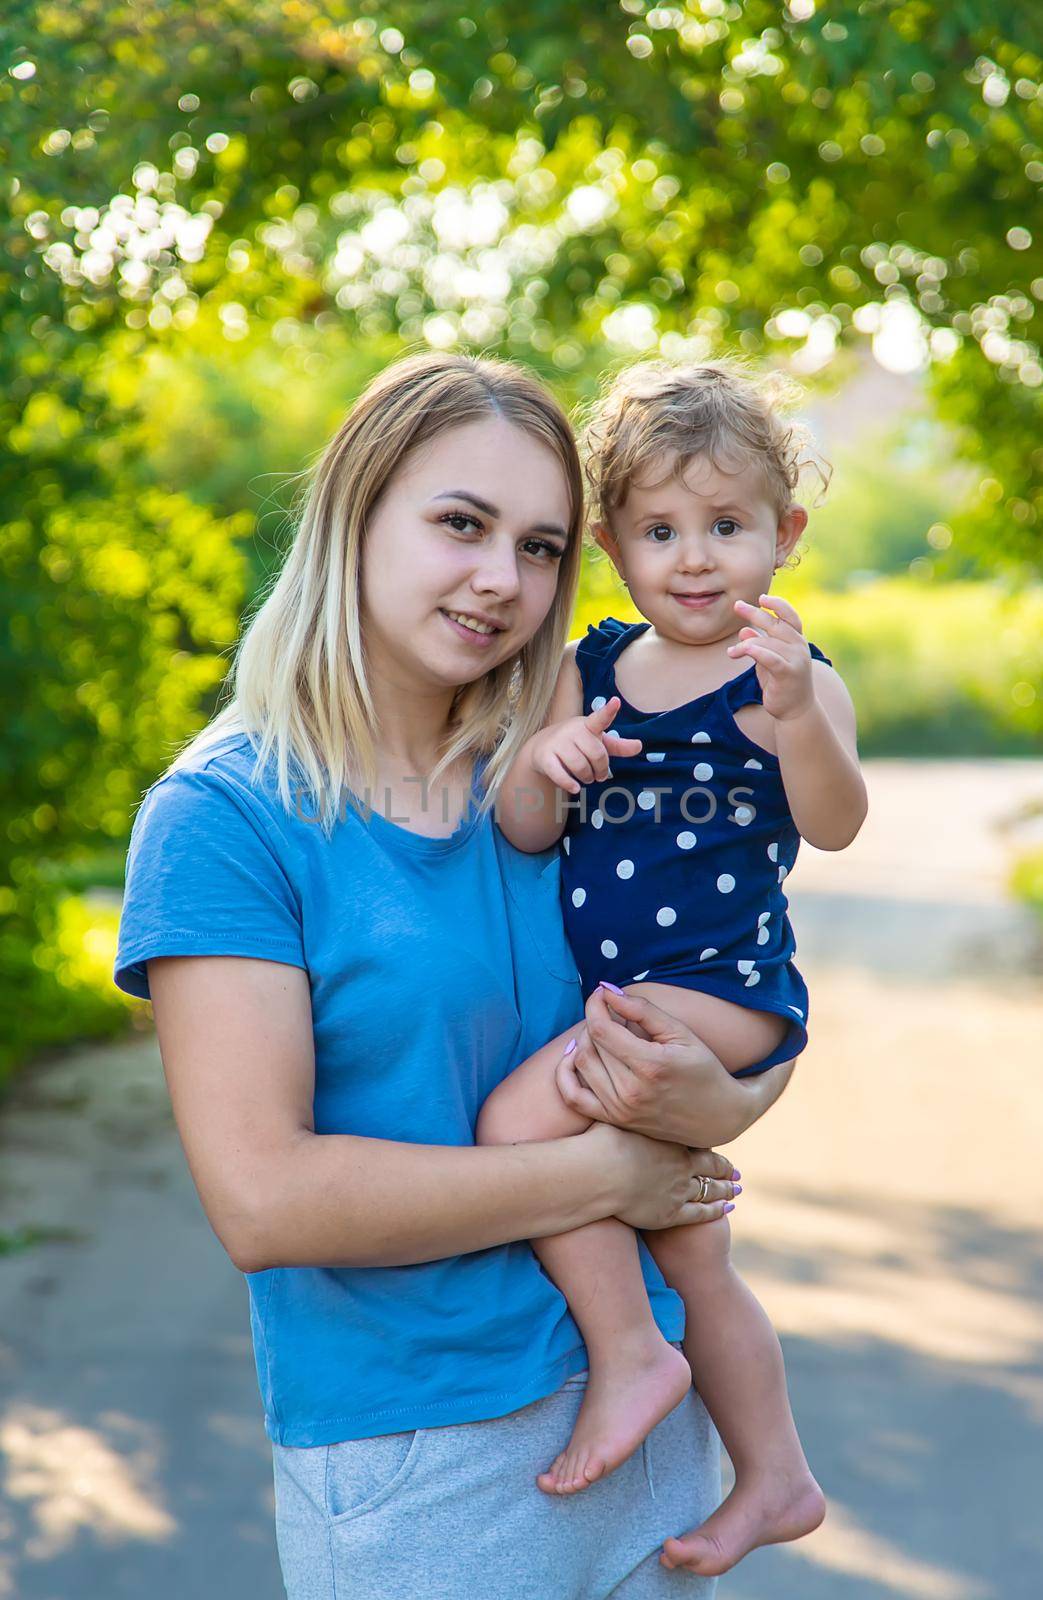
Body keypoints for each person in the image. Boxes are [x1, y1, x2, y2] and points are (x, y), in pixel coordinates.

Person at [113, 351, 796, 1600]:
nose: (501, 579)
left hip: (645, 1407)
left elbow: (704, 989)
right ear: (353, 514)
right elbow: (265, 1199)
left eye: (540, 548)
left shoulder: (559, 770)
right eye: (460, 524)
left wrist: (732, 1103)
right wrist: (610, 1170)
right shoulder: (225, 817)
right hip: (418, 1456)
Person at [478, 357, 868, 1578]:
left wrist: (798, 715)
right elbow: (522, 833)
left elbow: (836, 822)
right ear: (611, 546)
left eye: (724, 526)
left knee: (513, 1118)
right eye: (658, 529)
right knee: (697, 1255)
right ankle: (775, 1476)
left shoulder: (786, 680)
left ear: (782, 534)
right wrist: (546, 763)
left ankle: (628, 1352)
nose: (692, 557)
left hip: (721, 985)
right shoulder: (587, 670)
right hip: (633, 1000)